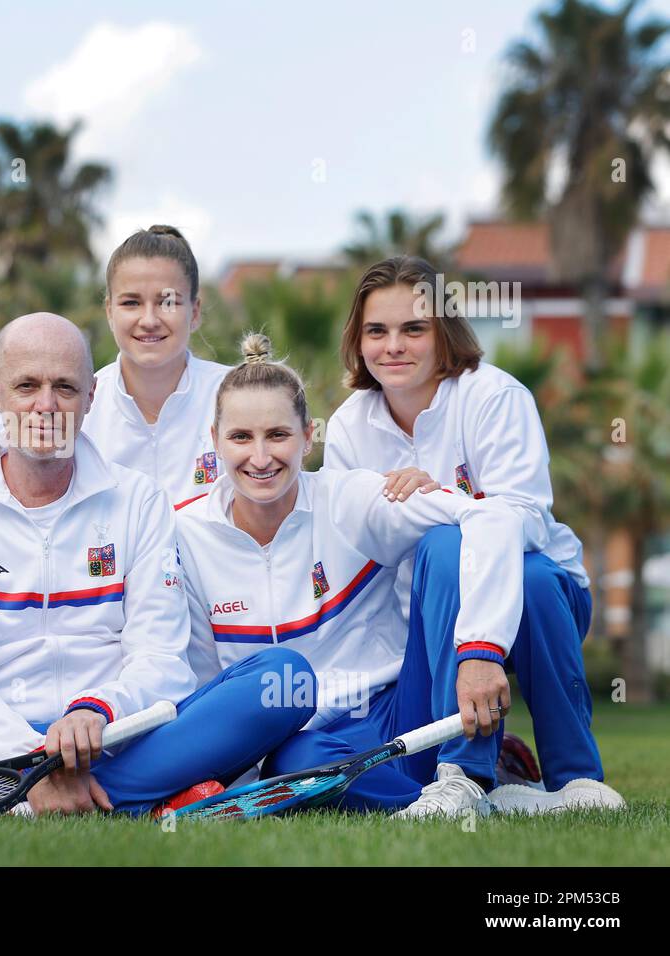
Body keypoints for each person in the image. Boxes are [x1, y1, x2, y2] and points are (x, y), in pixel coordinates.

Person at [0, 313, 316, 816]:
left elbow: (160, 657)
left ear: (91, 395)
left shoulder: (139, 500)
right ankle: (105, 798)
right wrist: (32, 761)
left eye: (65, 388)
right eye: (26, 385)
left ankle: (9, 800)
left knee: (284, 680)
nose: (46, 406)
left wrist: (97, 710)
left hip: (118, 737)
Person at [176, 332, 621, 817]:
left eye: (278, 435)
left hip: (398, 705)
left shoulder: (351, 499)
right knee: (295, 763)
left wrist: (481, 649)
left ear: (308, 436)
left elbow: (494, 518)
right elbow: (203, 677)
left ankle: (476, 777)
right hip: (316, 738)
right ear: (215, 441)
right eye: (241, 437)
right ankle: (488, 800)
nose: (260, 458)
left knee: (447, 542)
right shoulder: (187, 532)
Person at [324, 256, 617, 810]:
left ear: (443, 333)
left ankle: (568, 777)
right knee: (440, 547)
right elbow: (365, 545)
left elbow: (524, 518)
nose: (394, 346)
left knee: (512, 568)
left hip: (541, 602)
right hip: (423, 626)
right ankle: (485, 772)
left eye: (414, 329)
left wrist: (439, 500)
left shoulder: (495, 397)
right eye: (376, 331)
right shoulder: (347, 426)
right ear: (357, 342)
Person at [82, 225, 230, 511]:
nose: (149, 319)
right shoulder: (83, 409)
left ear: (195, 311)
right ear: (110, 311)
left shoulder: (236, 396)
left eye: (168, 302)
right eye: (131, 302)